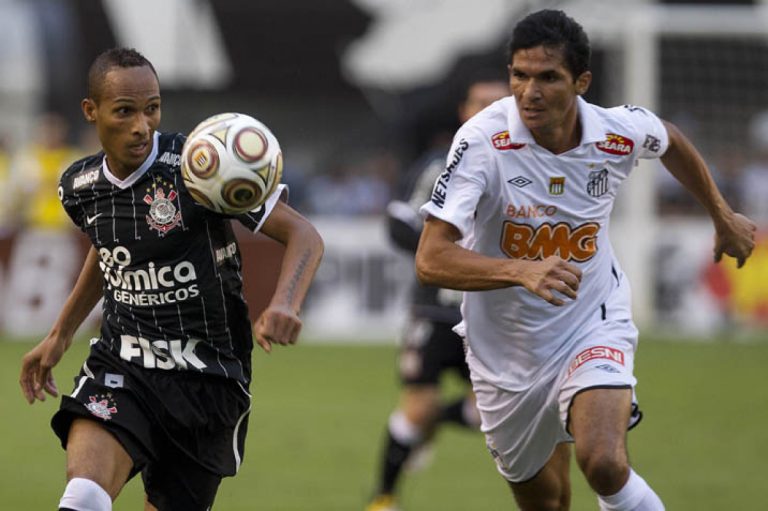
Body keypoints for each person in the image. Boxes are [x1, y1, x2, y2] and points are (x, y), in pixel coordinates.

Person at [415, 10, 756, 511]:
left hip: (590, 322)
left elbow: (669, 139)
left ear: (582, 81)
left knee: (604, 462)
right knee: (548, 503)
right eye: (519, 75)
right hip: (503, 353)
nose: (529, 92)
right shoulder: (483, 142)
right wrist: (520, 269)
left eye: (548, 77)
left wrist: (722, 214)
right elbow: (431, 258)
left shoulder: (615, 132)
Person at [18, 48, 324, 511]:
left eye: (152, 108)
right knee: (83, 497)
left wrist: (285, 303)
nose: (142, 126)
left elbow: (303, 234)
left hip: (208, 380)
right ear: (91, 111)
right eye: (125, 111)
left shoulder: (200, 167)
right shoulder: (78, 187)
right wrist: (60, 335)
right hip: (124, 365)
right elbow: (110, 252)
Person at [366, 77, 509, 511]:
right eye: (479, 102)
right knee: (417, 405)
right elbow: (397, 220)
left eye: (496, 103)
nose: (486, 111)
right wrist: (444, 252)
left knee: (491, 417)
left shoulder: (528, 166)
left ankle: (438, 425)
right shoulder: (441, 164)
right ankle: (383, 497)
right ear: (465, 111)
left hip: (492, 311)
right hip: (435, 309)